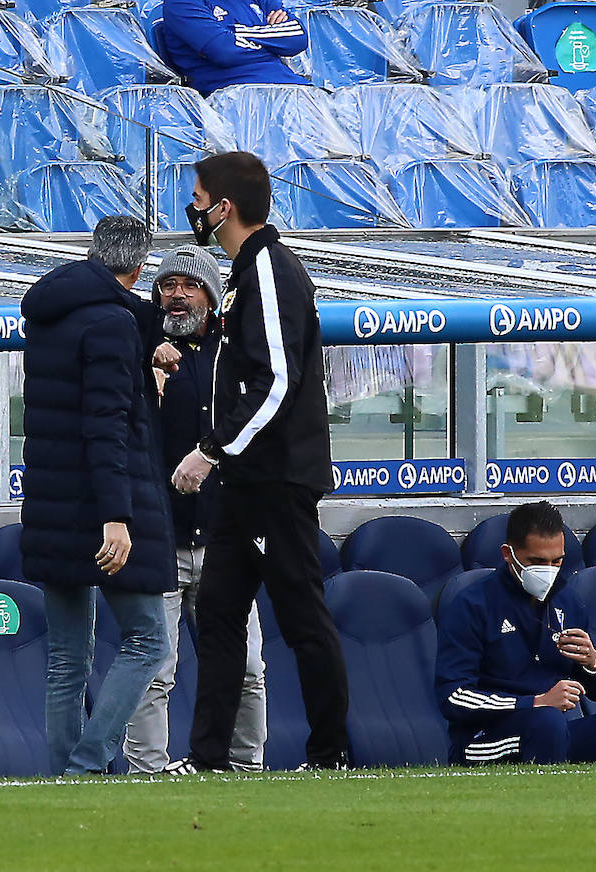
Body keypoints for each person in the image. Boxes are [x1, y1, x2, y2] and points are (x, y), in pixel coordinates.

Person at [167, 152, 350, 772]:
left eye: (198, 196)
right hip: (248, 483)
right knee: (218, 614)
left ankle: (330, 754)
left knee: (302, 618)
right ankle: (208, 756)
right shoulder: (245, 273)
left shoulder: (270, 269)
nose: (192, 208)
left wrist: (213, 450)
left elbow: (277, 381)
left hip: (275, 481)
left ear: (226, 206)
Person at [20, 215, 175, 776]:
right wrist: (117, 516)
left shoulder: (50, 314)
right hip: (97, 507)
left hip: (51, 505)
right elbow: (105, 424)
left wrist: (145, 356)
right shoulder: (112, 324)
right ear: (139, 266)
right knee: (148, 640)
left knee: (67, 658)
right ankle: (87, 764)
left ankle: (65, 778)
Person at [123, 245, 267, 774]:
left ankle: (247, 766)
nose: (176, 295)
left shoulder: (236, 357)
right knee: (154, 670)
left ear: (210, 294)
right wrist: (147, 362)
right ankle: (147, 773)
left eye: (189, 285)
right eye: (167, 284)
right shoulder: (137, 346)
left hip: (225, 539)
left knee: (246, 666)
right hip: (158, 540)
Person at [435, 500, 596, 765]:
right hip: (483, 740)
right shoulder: (472, 604)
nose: (549, 571)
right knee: (547, 722)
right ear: (508, 554)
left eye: (557, 561)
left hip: (554, 732)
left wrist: (592, 662)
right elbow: (453, 697)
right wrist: (533, 703)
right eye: (537, 561)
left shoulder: (567, 600)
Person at [160, 0, 309, 97]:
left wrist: (233, 33)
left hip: (292, 87)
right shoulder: (179, 3)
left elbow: (298, 38)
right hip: (237, 101)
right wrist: (273, 40)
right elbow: (223, 51)